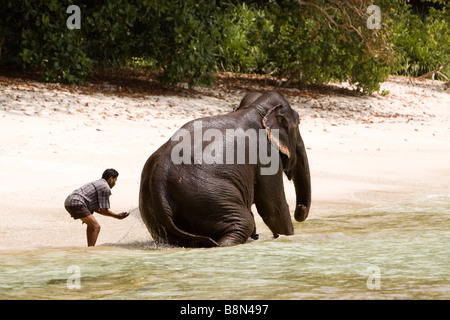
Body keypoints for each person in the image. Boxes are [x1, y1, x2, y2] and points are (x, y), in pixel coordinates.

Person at [64, 168, 129, 246]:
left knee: (91, 226)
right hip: (77, 202)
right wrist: (117, 216)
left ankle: (90, 248)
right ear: (111, 179)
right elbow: (103, 210)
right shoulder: (105, 187)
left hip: (69, 201)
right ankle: (91, 250)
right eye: (115, 180)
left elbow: (97, 209)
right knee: (96, 227)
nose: (115, 183)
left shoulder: (98, 183)